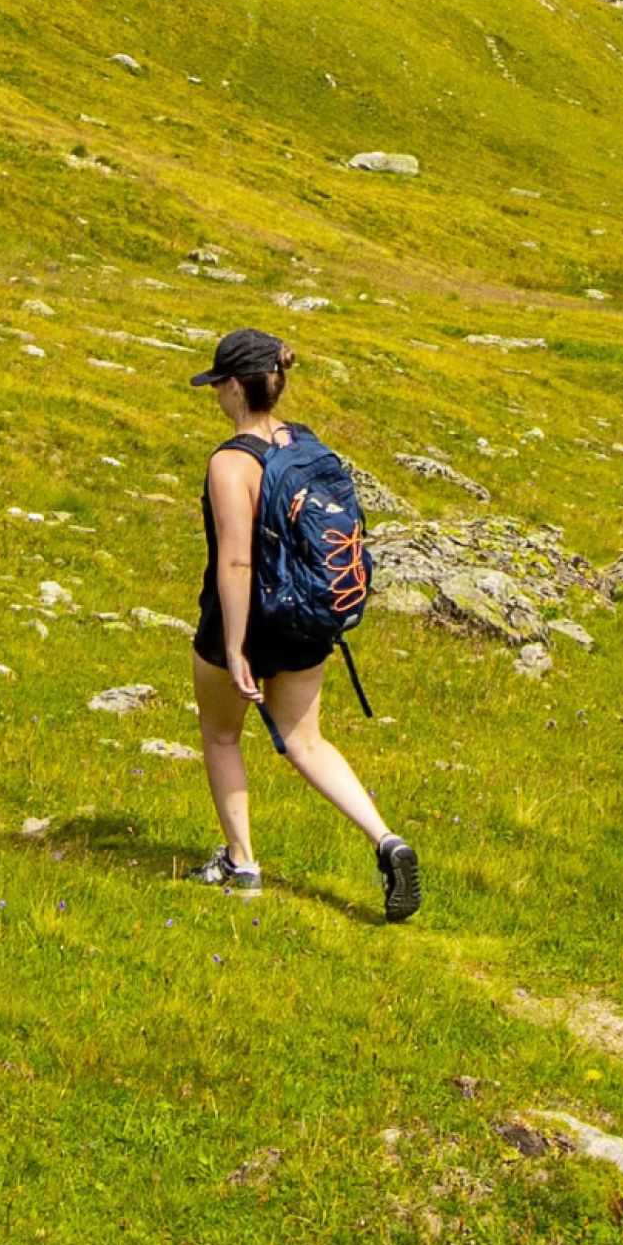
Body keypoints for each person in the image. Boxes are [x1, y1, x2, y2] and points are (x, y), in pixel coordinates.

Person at [184, 327, 419, 920]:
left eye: (218, 384)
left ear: (234, 387)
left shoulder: (231, 462)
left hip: (244, 618)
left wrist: (234, 646)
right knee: (306, 741)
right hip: (305, 614)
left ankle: (242, 861)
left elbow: (236, 562)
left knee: (221, 735)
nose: (216, 394)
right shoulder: (304, 443)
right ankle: (386, 839)